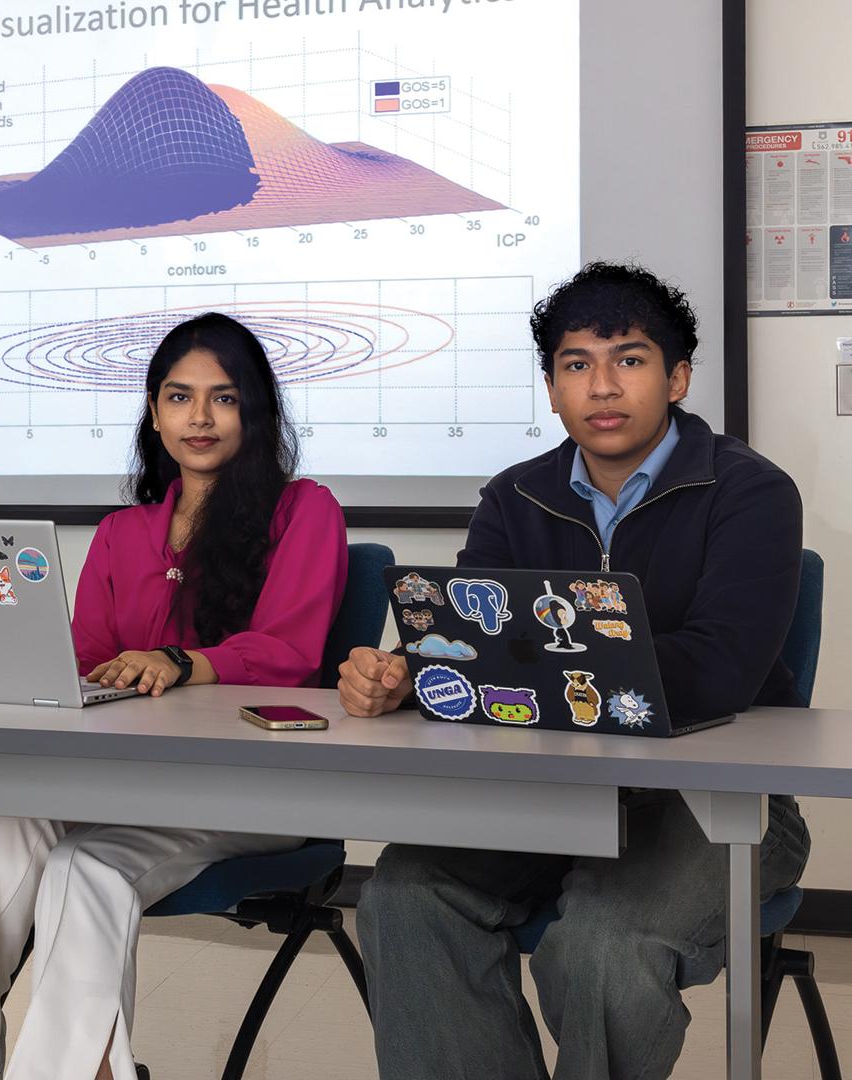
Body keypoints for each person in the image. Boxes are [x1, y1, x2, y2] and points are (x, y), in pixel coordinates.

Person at [338, 262, 811, 1080]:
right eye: (575, 364)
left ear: (679, 377)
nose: (603, 386)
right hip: (549, 792)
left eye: (629, 359)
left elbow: (724, 666)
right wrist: (409, 674)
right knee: (402, 897)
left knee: (603, 941)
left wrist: (533, 662)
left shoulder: (751, 492)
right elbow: (469, 647)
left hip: (714, 803)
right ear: (552, 388)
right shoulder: (513, 497)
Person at [0, 312, 348, 1080]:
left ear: (255, 412)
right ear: (154, 414)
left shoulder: (304, 511)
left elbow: (290, 655)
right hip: (125, 778)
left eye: (223, 398)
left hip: (251, 789)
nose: (199, 417)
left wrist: (181, 661)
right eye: (179, 397)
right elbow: (88, 658)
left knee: (84, 867)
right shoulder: (125, 531)